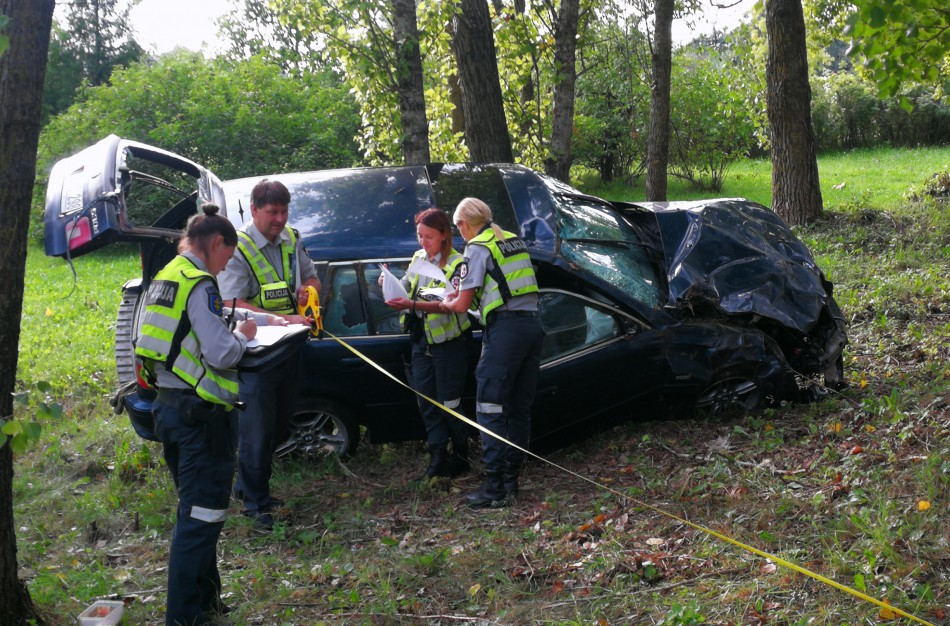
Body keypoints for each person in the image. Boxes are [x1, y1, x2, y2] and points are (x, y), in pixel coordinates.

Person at [135, 203, 270, 626]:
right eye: (227, 257)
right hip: (202, 418)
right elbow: (221, 351)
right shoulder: (199, 283)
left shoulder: (166, 277)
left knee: (198, 512)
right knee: (201, 517)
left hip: (170, 411)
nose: (225, 266)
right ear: (215, 244)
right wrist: (243, 336)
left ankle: (208, 604)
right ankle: (185, 617)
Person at [218, 179, 321, 532]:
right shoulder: (239, 248)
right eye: (272, 212)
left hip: (290, 349)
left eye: (284, 211)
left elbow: (312, 278)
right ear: (255, 209)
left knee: (279, 425)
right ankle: (255, 505)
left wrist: (309, 293)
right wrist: (280, 318)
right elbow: (232, 304)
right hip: (255, 356)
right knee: (257, 432)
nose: (279, 219)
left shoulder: (292, 237)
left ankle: (246, 487)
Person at [441, 197, 544, 508]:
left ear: (464, 224)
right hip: (532, 327)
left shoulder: (477, 248)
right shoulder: (512, 240)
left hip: (506, 331)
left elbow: (460, 305)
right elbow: (503, 287)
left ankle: (495, 485)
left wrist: (443, 302)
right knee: (518, 409)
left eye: (459, 227)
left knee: (489, 406)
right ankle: (511, 480)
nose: (460, 235)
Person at [383, 208, 472, 479]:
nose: (423, 242)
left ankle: (461, 455)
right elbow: (408, 285)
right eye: (420, 236)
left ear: (445, 235)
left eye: (429, 237)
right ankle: (437, 458)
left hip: (449, 343)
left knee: (450, 403)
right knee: (426, 402)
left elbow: (452, 305)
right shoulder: (418, 257)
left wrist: (411, 304)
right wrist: (388, 282)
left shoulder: (458, 263)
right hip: (421, 340)